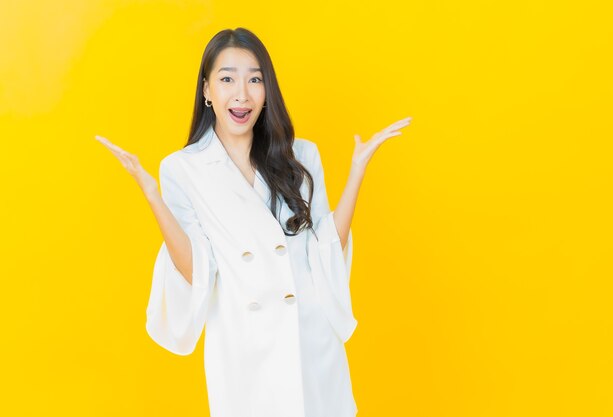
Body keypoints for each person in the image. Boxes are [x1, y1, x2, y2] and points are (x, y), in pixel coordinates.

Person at [96, 27, 411, 417]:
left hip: (310, 343)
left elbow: (326, 249)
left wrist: (357, 173)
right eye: (227, 78)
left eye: (255, 78)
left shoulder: (301, 156)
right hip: (244, 349)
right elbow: (195, 269)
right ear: (207, 90)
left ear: (267, 90)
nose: (241, 93)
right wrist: (152, 196)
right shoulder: (183, 168)